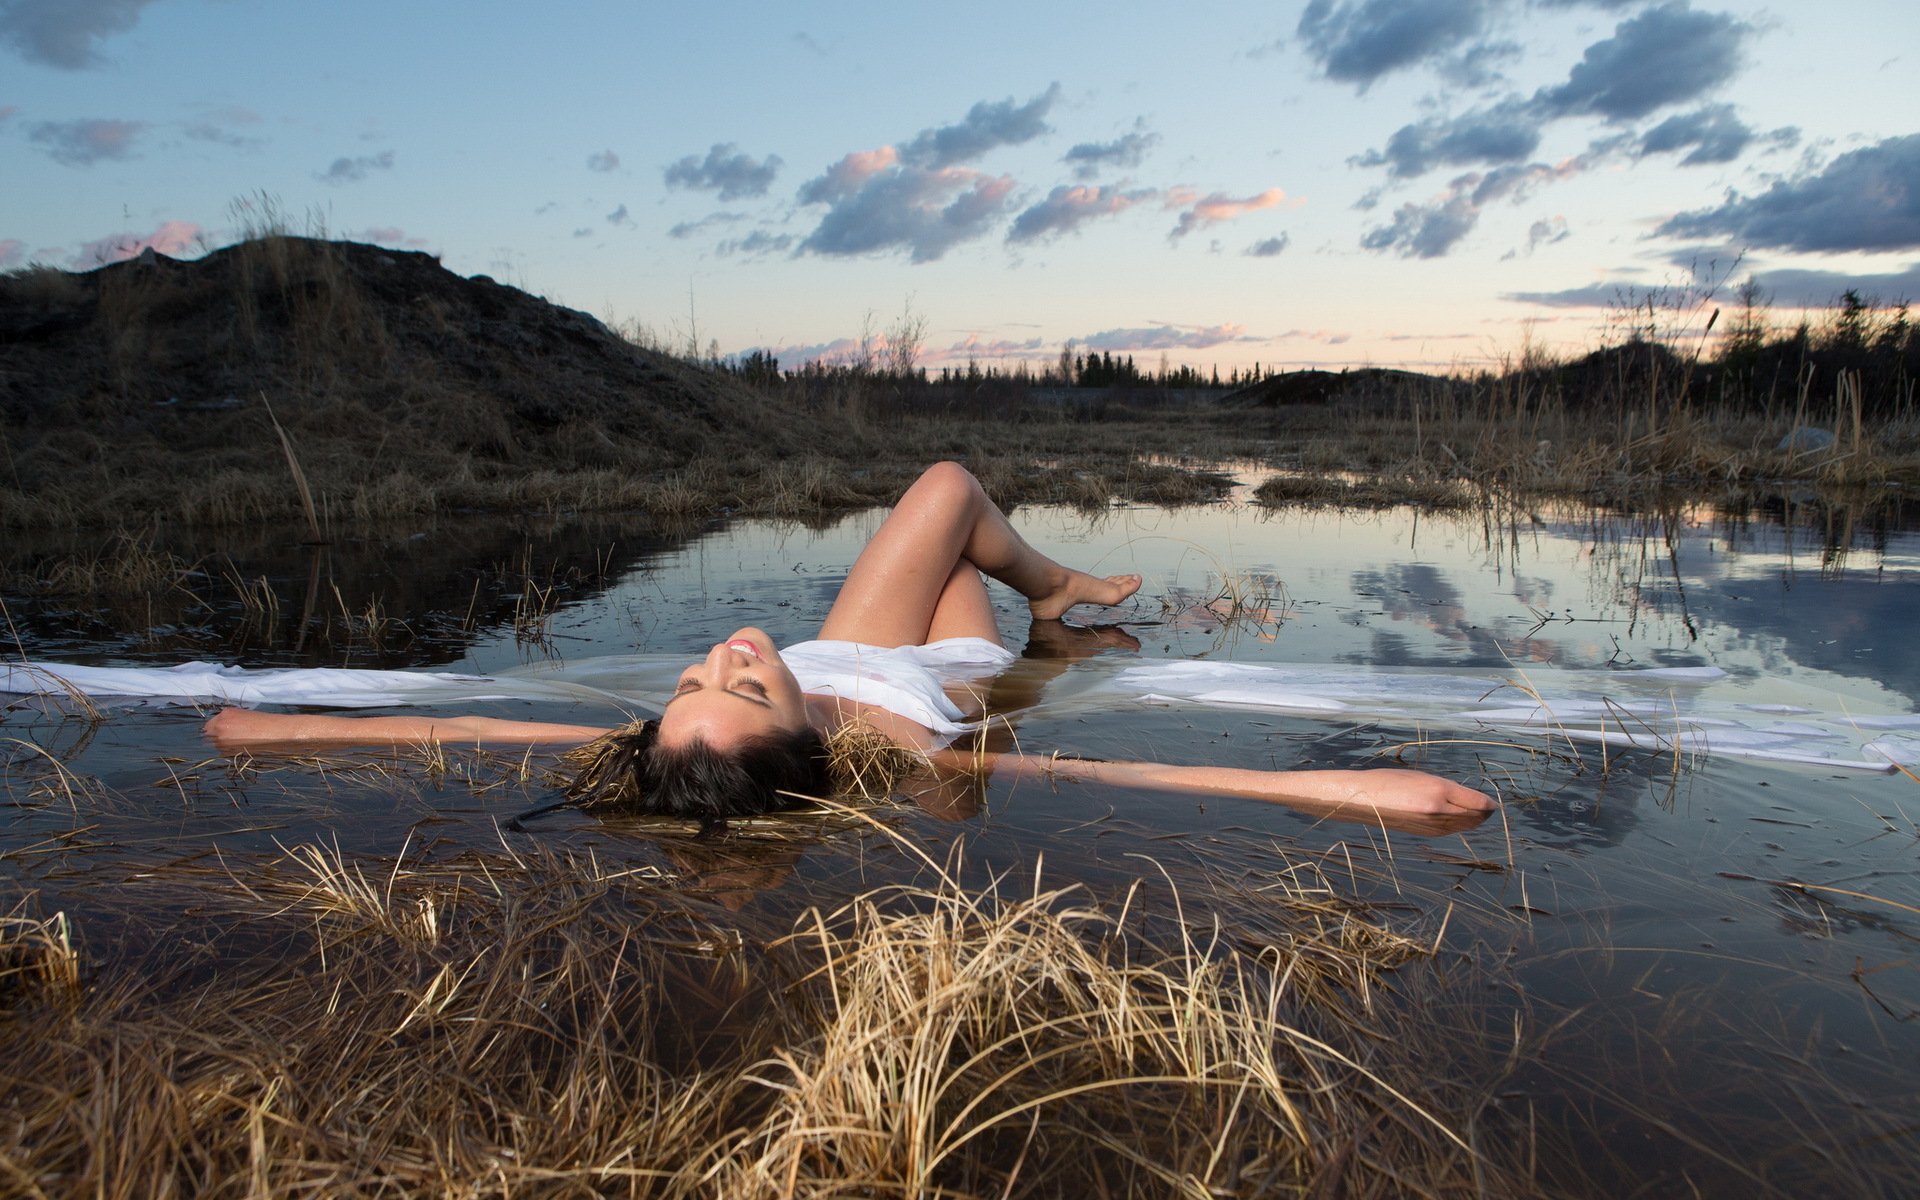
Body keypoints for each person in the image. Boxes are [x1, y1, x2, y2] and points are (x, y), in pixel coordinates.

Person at [202, 462, 1495, 831]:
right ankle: (1053, 610)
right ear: (796, 739)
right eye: (745, 681)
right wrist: (1381, 791)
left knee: (945, 495)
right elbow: (1156, 784)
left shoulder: (745, 712)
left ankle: (1055, 592)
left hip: (859, 639)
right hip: (947, 676)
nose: (721, 655)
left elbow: (466, 729)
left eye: (698, 678)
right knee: (955, 526)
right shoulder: (877, 757)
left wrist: (283, 730)